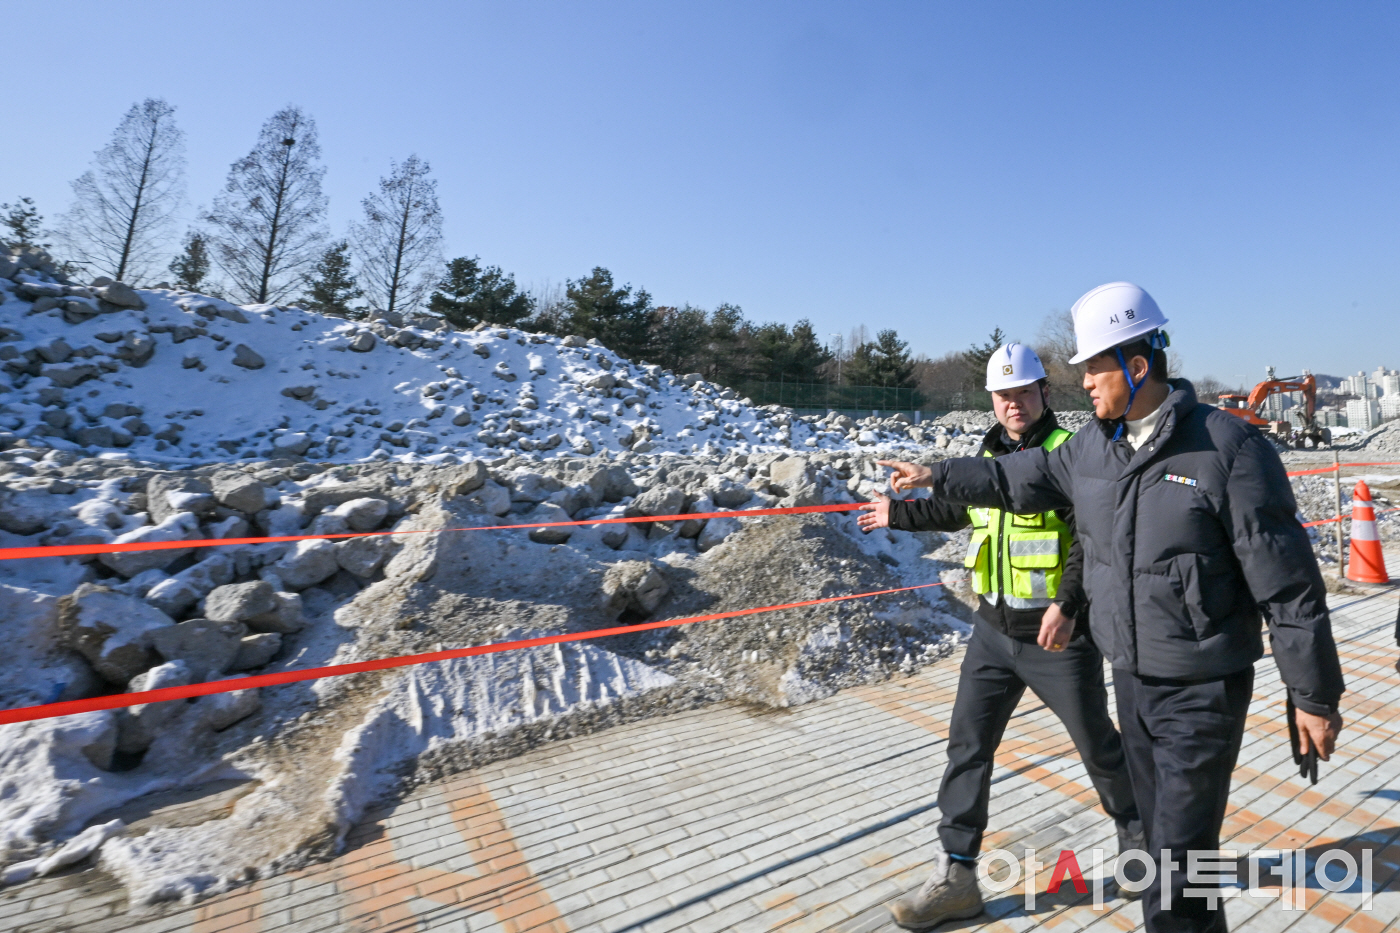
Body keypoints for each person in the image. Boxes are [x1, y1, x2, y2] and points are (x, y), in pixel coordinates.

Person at [873, 283, 1345, 933]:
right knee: (1168, 866)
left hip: (1202, 686)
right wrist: (936, 474)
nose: (1084, 382)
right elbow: (1017, 479)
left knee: (1174, 873)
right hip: (1131, 677)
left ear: (1138, 364)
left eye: (1093, 366)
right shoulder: (1093, 450)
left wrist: (1313, 693)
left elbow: (1288, 583)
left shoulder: (1228, 448)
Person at [858, 343, 1143, 931]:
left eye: (1023, 392)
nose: (1013, 404)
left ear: (1044, 393)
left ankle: (1143, 849)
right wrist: (898, 514)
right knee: (967, 748)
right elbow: (957, 511)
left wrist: (1068, 605)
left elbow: (1094, 543)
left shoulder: (1072, 454)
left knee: (1097, 745)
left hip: (1057, 637)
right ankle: (957, 878)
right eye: (1003, 395)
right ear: (992, 400)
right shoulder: (986, 454)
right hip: (991, 630)